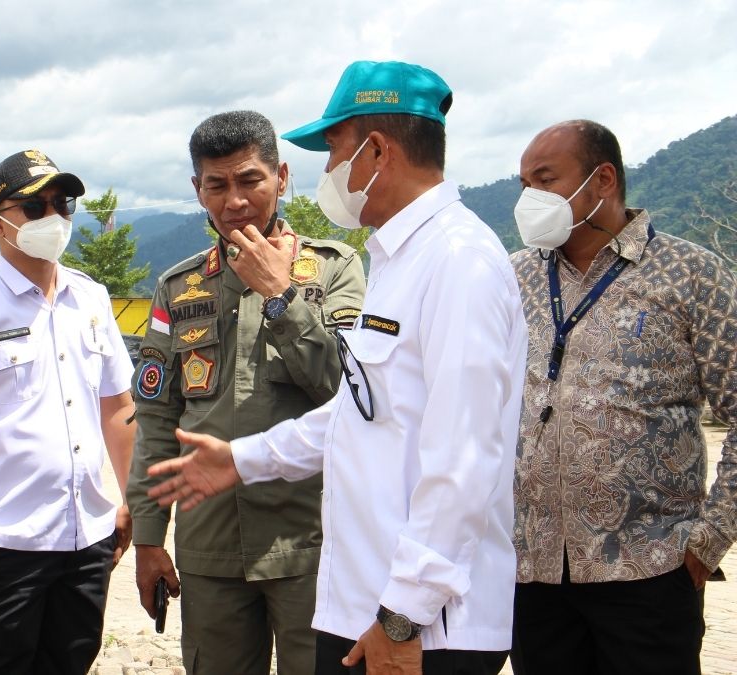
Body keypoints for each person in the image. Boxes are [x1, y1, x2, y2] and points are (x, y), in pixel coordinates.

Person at [144, 60, 526, 675]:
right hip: (365, 600)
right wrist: (241, 459)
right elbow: (360, 409)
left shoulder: (457, 262)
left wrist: (403, 616)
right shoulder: (400, 261)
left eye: (334, 150)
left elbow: (464, 460)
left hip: (422, 624)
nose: (329, 170)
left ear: (375, 150)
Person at [126, 110, 365, 675]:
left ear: (281, 177)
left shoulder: (334, 269)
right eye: (217, 185)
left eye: (250, 180)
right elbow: (157, 418)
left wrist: (281, 295)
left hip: (312, 541)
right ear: (198, 190)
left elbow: (349, 389)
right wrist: (149, 536)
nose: (234, 200)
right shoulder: (177, 287)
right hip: (211, 543)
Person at [508, 120, 737, 675]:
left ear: (603, 179)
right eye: (524, 185)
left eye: (545, 180)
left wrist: (708, 539)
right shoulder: (513, 278)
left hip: (650, 569)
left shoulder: (691, 274)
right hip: (532, 572)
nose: (530, 198)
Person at [0, 149, 135, 675]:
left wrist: (134, 502)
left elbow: (118, 407)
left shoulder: (91, 299)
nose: (53, 217)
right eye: (35, 207)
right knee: (1, 665)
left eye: (63, 204)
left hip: (87, 535)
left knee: (72, 661)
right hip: (2, 540)